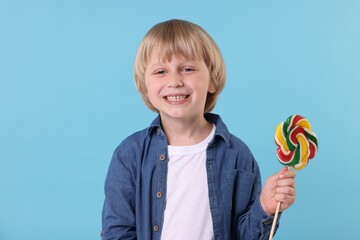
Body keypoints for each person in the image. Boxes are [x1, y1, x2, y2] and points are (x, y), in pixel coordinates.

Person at [101, 19, 296, 240]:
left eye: (187, 69)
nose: (174, 81)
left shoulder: (238, 156)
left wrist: (266, 206)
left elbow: (245, 235)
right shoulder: (129, 156)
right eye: (160, 71)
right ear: (145, 86)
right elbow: (117, 233)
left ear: (212, 80)